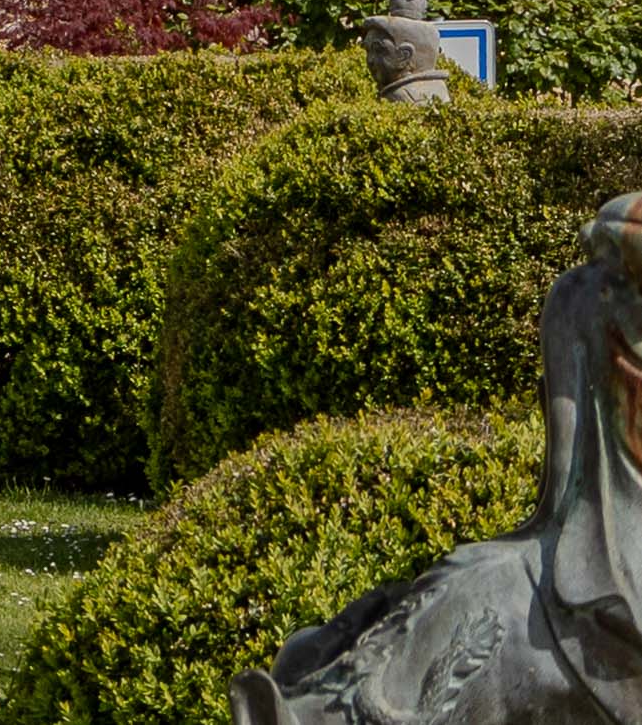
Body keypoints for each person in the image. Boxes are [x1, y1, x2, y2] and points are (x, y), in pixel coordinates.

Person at [244, 192, 642, 725]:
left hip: (595, 550)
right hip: (599, 552)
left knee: (484, 577)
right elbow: (564, 483)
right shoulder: (580, 295)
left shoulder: (577, 293)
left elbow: (564, 484)